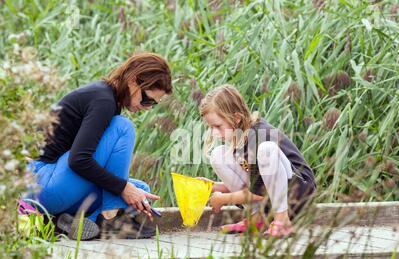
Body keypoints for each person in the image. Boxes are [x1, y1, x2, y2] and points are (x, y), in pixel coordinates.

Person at [20, 52, 172, 240]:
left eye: (153, 105)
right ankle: (110, 219)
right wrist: (123, 187)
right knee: (123, 128)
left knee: (142, 191)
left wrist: (127, 188)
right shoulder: (103, 101)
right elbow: (78, 160)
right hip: (42, 183)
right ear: (134, 81)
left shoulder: (108, 100)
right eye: (147, 100)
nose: (147, 107)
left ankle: (66, 221)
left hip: (56, 185)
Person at [197, 84, 316, 238]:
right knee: (218, 154)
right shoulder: (240, 138)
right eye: (210, 127)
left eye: (217, 126)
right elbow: (256, 181)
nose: (213, 132)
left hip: (296, 194)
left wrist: (223, 199)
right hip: (273, 194)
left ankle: (282, 221)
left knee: (267, 149)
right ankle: (258, 218)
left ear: (237, 118)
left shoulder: (259, 136)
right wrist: (213, 187)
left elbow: (260, 192)